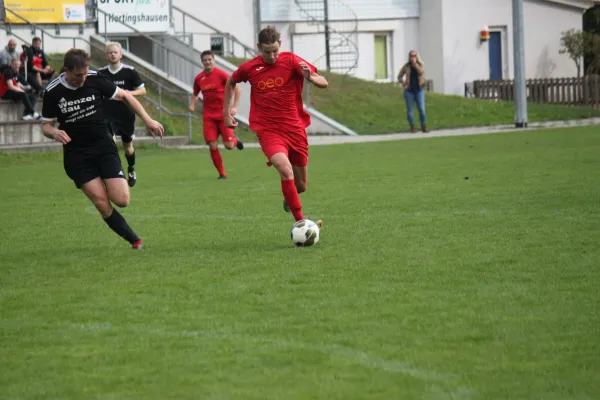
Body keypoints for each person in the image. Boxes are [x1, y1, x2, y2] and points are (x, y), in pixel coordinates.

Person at [41, 49, 164, 249]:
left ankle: (108, 180)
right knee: (101, 203)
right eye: (78, 75)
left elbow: (125, 96)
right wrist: (54, 132)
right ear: (66, 70)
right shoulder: (53, 91)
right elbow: (45, 125)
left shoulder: (95, 79)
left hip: (103, 148)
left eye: (85, 72)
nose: (83, 78)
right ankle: (135, 240)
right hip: (77, 156)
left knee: (122, 200)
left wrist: (148, 120)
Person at [223, 26, 327, 227]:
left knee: (301, 185)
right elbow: (231, 82)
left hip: (294, 129)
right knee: (284, 169)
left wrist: (311, 78)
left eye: (274, 51)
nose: (271, 56)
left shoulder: (292, 61)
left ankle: (290, 197)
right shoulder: (250, 68)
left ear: (280, 45)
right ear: (258, 47)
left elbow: (324, 82)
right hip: (268, 130)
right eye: (266, 51)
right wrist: (226, 113)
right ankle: (301, 222)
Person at [189, 50, 244, 179]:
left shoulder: (221, 74)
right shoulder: (199, 78)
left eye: (209, 59)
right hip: (208, 116)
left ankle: (235, 141)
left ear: (214, 60)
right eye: (205, 60)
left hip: (223, 115)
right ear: (202, 62)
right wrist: (192, 104)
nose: (207, 62)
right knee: (212, 145)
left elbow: (237, 88)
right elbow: (195, 93)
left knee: (229, 146)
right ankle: (222, 174)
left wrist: (234, 106)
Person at [97, 42, 146, 187]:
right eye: (110, 52)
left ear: (121, 54)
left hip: (126, 115)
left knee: (128, 148)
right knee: (110, 144)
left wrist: (129, 93)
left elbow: (143, 90)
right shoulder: (101, 73)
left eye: (115, 52)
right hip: (107, 116)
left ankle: (131, 169)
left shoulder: (130, 71)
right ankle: (117, 174)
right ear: (107, 55)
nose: (113, 54)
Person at [397, 50, 428, 133]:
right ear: (409, 57)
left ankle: (423, 126)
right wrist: (404, 84)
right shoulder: (406, 66)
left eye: (414, 55)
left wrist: (415, 64)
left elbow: (421, 72)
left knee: (421, 109)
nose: (412, 57)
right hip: (409, 91)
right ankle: (412, 127)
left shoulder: (421, 64)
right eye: (411, 56)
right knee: (410, 110)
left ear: (417, 56)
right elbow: (399, 76)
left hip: (419, 90)